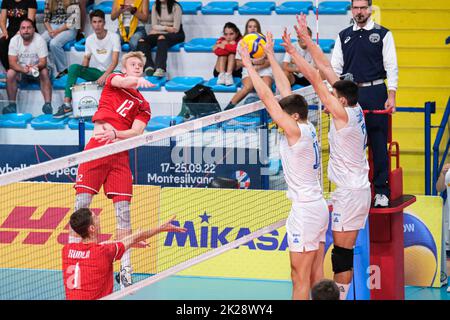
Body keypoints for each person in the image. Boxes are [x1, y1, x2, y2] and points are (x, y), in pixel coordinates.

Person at [239, 33, 328, 300]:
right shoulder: (306, 125)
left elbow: (268, 98)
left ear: (294, 116)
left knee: (298, 278)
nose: (280, 119)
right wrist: (272, 57)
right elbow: (284, 93)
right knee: (316, 276)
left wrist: (248, 64)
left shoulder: (294, 130)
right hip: (318, 207)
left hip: (305, 210)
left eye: (283, 116)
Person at [287, 14, 371, 300]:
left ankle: (341, 298)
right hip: (356, 188)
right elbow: (323, 67)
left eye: (333, 97)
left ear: (341, 100)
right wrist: (305, 41)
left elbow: (314, 77)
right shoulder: (355, 105)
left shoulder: (342, 113)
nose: (329, 100)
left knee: (342, 255)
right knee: (341, 253)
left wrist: (295, 54)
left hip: (349, 191)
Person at [71, 51, 155, 290]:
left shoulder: (143, 105)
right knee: (81, 207)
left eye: (140, 65)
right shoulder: (114, 80)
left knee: (123, 213)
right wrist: (135, 81)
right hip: (97, 149)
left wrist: (117, 134)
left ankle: (126, 270)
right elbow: (123, 81)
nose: (137, 67)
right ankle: (75, 256)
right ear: (125, 68)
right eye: (133, 64)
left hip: (120, 153)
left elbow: (137, 131)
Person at [331, 0, 398, 208]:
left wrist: (391, 95)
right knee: (349, 146)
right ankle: (350, 190)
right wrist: (334, 97)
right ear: (351, 10)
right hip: (350, 94)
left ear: (369, 9)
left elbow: (391, 65)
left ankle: (381, 192)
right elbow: (334, 67)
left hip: (375, 91)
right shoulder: (343, 35)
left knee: (378, 145)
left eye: (363, 8)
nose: (359, 12)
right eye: (356, 8)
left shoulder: (383, 34)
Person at [62, 208, 187, 300]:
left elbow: (101, 246)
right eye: (95, 217)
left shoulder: (66, 250)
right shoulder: (103, 252)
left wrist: (129, 243)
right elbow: (136, 236)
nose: (98, 218)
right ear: (92, 228)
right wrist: (161, 228)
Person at [53, 9, 121, 118]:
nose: (97, 25)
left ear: (104, 22)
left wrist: (105, 76)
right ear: (91, 23)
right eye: (94, 22)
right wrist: (79, 71)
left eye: (100, 21)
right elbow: (86, 60)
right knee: (74, 67)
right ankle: (67, 105)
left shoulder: (114, 37)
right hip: (97, 73)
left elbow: (115, 61)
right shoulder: (89, 39)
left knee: (117, 76)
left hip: (112, 73)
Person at [4, 19, 52, 114]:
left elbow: (43, 62)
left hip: (38, 69)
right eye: (23, 28)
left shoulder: (40, 40)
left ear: (33, 29)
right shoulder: (14, 40)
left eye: (29, 28)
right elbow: (12, 63)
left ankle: (47, 105)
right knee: (10, 73)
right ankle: (12, 105)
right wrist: (23, 69)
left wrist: (35, 67)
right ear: (20, 30)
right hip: (22, 71)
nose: (26, 30)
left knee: (45, 72)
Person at [224, 18, 272, 110]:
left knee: (266, 87)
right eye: (250, 26)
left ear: (258, 28)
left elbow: (270, 61)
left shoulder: (264, 40)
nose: (253, 28)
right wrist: (252, 63)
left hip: (265, 71)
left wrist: (258, 67)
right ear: (247, 28)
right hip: (248, 71)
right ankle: (227, 110)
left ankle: (269, 111)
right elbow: (237, 63)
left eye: (255, 26)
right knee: (248, 87)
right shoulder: (242, 42)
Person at [137, 0, 184, 78]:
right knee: (142, 41)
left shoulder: (176, 7)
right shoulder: (155, 6)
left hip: (177, 34)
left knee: (161, 39)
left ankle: (160, 68)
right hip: (160, 32)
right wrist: (165, 28)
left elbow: (175, 29)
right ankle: (149, 66)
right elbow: (154, 25)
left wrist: (159, 30)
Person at [42, 0, 81, 79]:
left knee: (54, 43)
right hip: (53, 26)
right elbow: (46, 19)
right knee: (41, 41)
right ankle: (47, 68)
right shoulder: (48, 1)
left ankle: (63, 70)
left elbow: (72, 20)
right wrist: (50, 31)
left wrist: (58, 31)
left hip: (69, 27)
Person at [0, 0, 37, 71]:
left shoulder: (31, 1)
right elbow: (2, 20)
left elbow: (30, 20)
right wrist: (4, 32)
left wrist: (20, 32)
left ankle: (23, 69)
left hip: (27, 30)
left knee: (18, 40)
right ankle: (9, 70)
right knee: (2, 41)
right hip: (11, 31)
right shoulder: (5, 1)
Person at [213, 22, 242, 86]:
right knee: (223, 55)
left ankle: (228, 75)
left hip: (235, 71)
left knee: (232, 54)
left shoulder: (241, 40)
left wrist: (224, 46)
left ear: (237, 33)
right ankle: (222, 74)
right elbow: (217, 52)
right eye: (226, 34)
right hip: (219, 71)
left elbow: (236, 50)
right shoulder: (221, 39)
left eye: (231, 34)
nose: (228, 37)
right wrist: (230, 46)